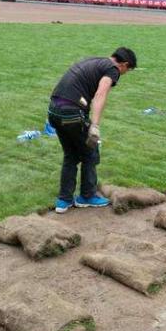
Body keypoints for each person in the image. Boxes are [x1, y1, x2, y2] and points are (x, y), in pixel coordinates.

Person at [47, 47, 137, 214]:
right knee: (91, 150)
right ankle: (87, 196)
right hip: (71, 113)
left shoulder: (94, 61)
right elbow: (100, 95)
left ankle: (63, 201)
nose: (125, 73)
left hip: (54, 110)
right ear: (124, 65)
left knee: (71, 154)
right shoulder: (112, 70)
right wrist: (94, 126)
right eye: (128, 70)